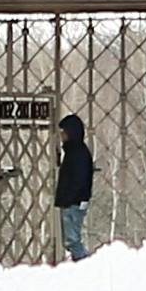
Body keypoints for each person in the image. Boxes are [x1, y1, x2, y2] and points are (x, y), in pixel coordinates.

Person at [53, 111, 94, 261]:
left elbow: (78, 179)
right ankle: (79, 262)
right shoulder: (75, 152)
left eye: (64, 133)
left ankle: (82, 263)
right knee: (71, 238)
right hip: (74, 201)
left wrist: (68, 198)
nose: (62, 136)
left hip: (74, 202)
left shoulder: (77, 153)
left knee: (72, 239)